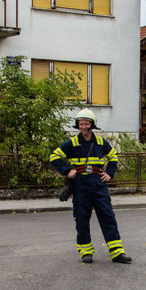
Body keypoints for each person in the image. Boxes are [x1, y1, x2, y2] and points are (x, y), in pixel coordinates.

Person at [49, 108, 132, 264]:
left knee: (108, 217)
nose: (84, 127)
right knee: (82, 219)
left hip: (99, 185)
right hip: (81, 186)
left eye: (86, 124)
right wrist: (67, 171)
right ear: (78, 125)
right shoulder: (72, 143)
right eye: (81, 124)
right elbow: (54, 157)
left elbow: (113, 156)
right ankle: (86, 252)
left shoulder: (101, 142)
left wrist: (110, 173)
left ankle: (117, 252)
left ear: (92, 125)